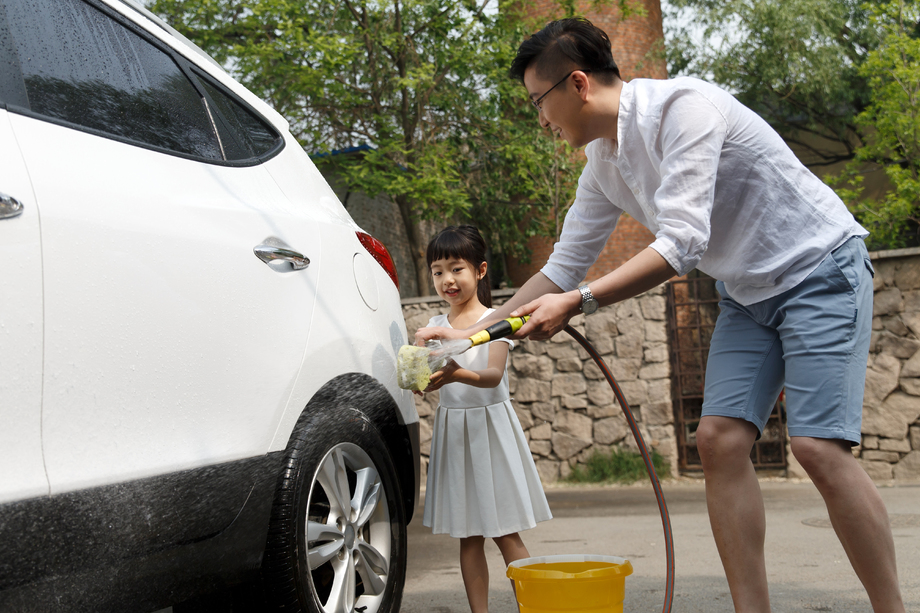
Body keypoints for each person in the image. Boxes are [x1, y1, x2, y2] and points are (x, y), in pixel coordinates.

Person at [416, 17, 906, 613]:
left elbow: (681, 244)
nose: (538, 119)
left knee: (818, 449)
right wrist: (465, 338)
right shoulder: (603, 163)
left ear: (576, 85)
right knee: (719, 440)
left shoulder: (685, 110)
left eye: (537, 102)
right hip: (749, 295)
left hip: (820, 269)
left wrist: (583, 301)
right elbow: (561, 267)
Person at [419, 225, 552, 613]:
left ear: (479, 271)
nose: (448, 279)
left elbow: (492, 377)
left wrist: (457, 371)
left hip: (489, 431)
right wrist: (418, 377)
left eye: (456, 269)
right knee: (469, 535)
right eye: (438, 271)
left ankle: (536, 607)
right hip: (455, 432)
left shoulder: (498, 319)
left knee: (505, 532)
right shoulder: (434, 323)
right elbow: (428, 378)